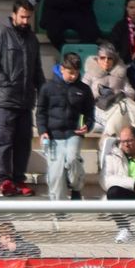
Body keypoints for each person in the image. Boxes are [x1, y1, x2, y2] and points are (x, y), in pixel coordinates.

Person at [0, 0, 43, 196]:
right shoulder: (0, 33)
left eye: (29, 17)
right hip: (5, 99)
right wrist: (4, 82)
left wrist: (42, 91)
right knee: (5, 140)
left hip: (26, 100)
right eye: (22, 16)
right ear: (14, 15)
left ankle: (19, 179)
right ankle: (5, 180)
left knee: (23, 142)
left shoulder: (32, 39)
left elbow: (37, 70)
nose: (26, 21)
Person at [37, 50, 94, 200]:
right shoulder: (47, 88)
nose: (73, 76)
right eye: (70, 72)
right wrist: (42, 131)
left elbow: (89, 113)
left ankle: (76, 187)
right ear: (62, 69)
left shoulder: (84, 89)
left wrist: (87, 126)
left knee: (72, 159)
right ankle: (59, 208)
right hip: (53, 136)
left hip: (73, 133)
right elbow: (41, 112)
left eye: (76, 73)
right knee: (56, 174)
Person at [86, 42, 131, 137]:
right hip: (97, 109)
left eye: (109, 58)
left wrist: (120, 94)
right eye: (103, 58)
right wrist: (97, 94)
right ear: (98, 59)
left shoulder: (121, 75)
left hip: (116, 108)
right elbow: (82, 93)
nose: (106, 61)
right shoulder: (90, 73)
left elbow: (131, 91)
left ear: (114, 60)